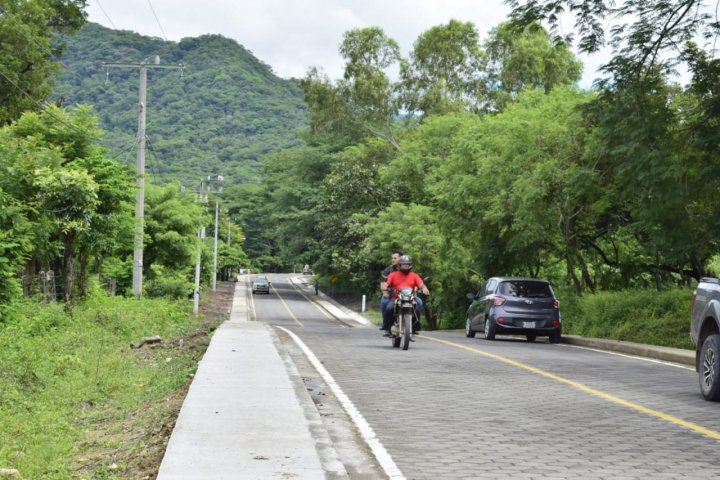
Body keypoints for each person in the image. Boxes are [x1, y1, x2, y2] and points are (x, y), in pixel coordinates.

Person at [381, 255, 429, 336]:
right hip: (396, 298)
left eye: (407, 264)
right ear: (400, 265)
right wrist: (385, 287)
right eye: (404, 264)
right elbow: (386, 283)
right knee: (389, 309)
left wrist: (424, 289)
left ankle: (415, 327)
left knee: (417, 307)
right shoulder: (393, 275)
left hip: (411, 298)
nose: (405, 266)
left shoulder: (414, 275)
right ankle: (387, 328)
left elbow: (421, 284)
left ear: (410, 265)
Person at [379, 250, 403, 329]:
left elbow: (414, 281)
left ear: (401, 259)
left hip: (406, 294)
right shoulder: (388, 270)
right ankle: (386, 323)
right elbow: (382, 283)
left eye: (395, 258)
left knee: (419, 302)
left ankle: (413, 323)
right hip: (391, 294)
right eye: (392, 258)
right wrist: (385, 292)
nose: (393, 260)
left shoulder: (407, 269)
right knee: (384, 302)